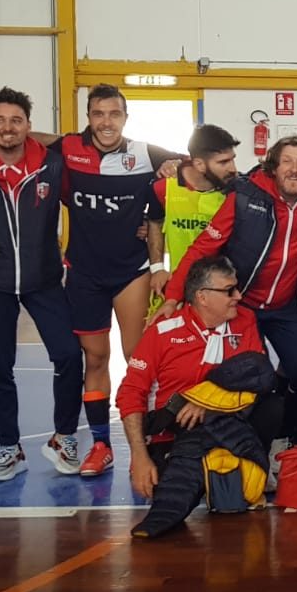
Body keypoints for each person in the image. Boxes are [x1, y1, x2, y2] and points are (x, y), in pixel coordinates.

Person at [161, 136, 297, 442]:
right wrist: (173, 296)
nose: (294, 169)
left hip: (287, 308)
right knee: (251, 377)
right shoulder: (244, 197)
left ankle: (288, 435)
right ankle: (242, 442)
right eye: (287, 161)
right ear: (273, 168)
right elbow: (202, 248)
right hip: (242, 306)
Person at [0, 87, 85, 482]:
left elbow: (88, 200)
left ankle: (64, 437)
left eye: (16, 120)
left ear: (29, 125)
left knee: (68, 355)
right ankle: (10, 449)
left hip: (42, 279)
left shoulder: (52, 165)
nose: (7, 128)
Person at [57, 83, 185, 477]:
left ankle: (154, 440)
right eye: (98, 114)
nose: (106, 122)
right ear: (88, 118)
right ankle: (101, 445)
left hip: (131, 273)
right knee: (95, 358)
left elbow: (195, 163)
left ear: (125, 118)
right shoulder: (70, 149)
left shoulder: (144, 153)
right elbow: (30, 141)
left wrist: (173, 167)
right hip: (84, 273)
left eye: (114, 113)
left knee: (138, 357)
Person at [118, 256, 281, 538]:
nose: (238, 296)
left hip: (230, 419)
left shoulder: (245, 319)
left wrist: (204, 401)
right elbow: (130, 393)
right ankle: (219, 472)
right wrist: (139, 457)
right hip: (174, 430)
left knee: (270, 400)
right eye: (229, 290)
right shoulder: (163, 331)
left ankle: (227, 471)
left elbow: (256, 374)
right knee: (172, 478)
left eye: (236, 288)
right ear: (202, 297)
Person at [145, 124, 240, 302]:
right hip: (178, 285)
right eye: (223, 162)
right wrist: (157, 268)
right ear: (199, 164)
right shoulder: (164, 187)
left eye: (232, 159)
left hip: (224, 290)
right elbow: (155, 222)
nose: (233, 168)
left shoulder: (236, 191)